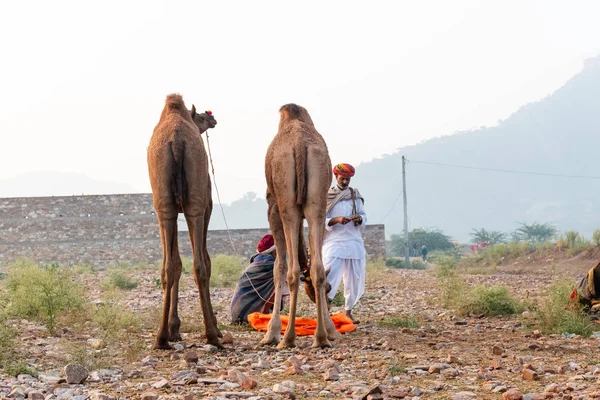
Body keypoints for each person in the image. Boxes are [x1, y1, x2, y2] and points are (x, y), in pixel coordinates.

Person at [323, 163, 367, 323]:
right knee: (330, 277)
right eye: (343, 178)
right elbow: (318, 219)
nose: (345, 182)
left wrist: (359, 218)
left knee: (354, 278)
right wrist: (335, 220)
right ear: (336, 177)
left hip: (354, 242)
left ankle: (348, 311)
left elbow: (364, 215)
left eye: (348, 179)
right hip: (334, 242)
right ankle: (325, 310)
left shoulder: (355, 195)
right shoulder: (326, 195)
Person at [230, 234, 289, 324]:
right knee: (280, 280)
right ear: (274, 250)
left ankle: (264, 313)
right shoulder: (270, 264)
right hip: (248, 316)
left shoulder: (257, 262)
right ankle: (264, 314)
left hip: (237, 314)